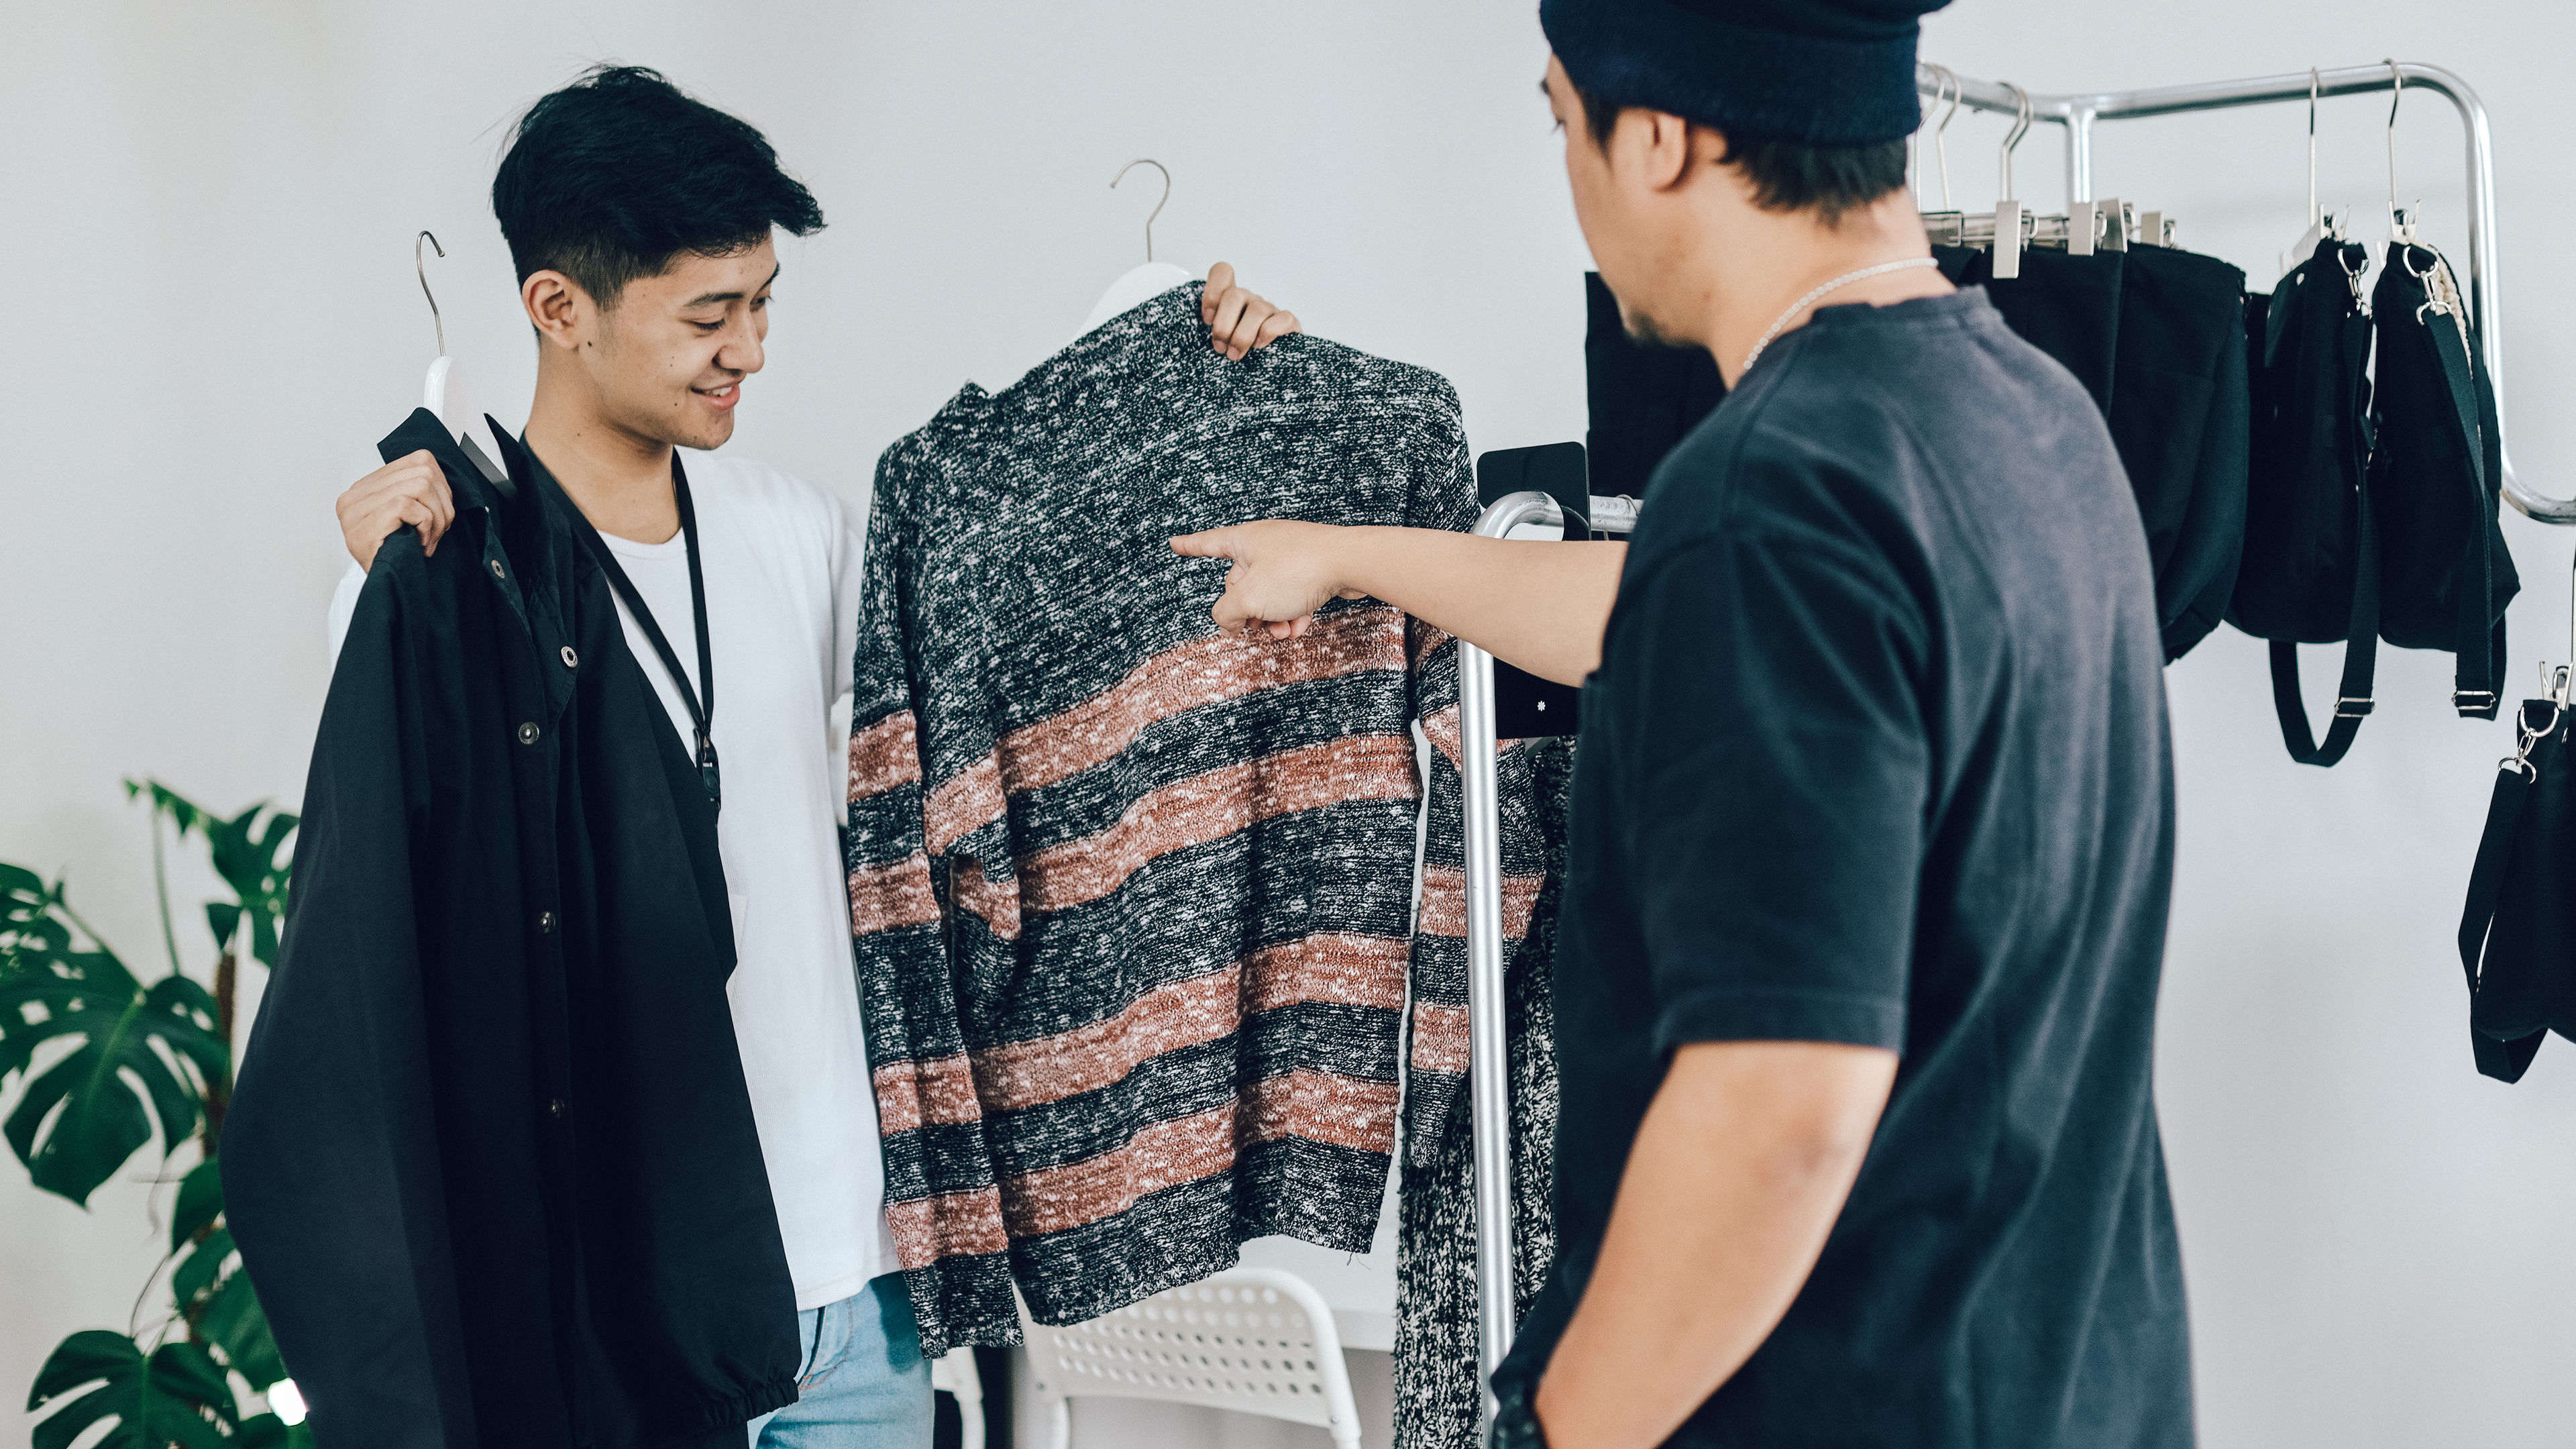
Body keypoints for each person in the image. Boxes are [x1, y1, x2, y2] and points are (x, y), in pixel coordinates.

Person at [1171, 1, 2195, 1446]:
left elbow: (1779, 1110)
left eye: (1559, 121)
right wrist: (1354, 553)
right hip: (2069, 1384)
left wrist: (1559, 1427)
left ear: (1654, 139)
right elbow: (1666, 621)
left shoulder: (1770, 497)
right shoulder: (2026, 418)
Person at [325, 66, 1300, 1446]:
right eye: (709, 316)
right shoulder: (440, 578)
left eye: (765, 302)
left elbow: (1055, 632)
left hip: (858, 1288)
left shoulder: (799, 529)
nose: (753, 351)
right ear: (560, 310)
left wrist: (1204, 397)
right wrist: (386, 592)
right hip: (617, 1310)